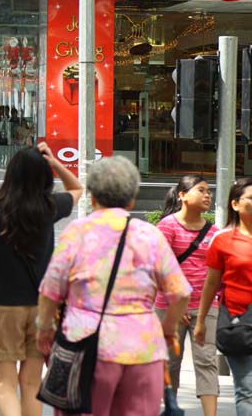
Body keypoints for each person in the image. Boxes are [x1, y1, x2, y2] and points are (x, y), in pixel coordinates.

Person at [36, 156, 191, 416]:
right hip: (143, 348)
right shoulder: (149, 235)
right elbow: (180, 292)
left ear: (93, 197)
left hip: (87, 347)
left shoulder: (77, 232)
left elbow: (50, 291)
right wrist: (167, 329)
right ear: (132, 199)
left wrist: (45, 329)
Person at [0, 143, 82, 416]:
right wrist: (55, 162)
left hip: (4, 308)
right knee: (31, 382)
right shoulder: (49, 207)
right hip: (41, 309)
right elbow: (78, 188)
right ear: (42, 175)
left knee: (4, 383)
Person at [155, 174, 219, 416]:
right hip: (167, 307)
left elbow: (216, 273)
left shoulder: (214, 232)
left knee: (207, 362)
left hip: (205, 307)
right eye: (201, 190)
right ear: (182, 195)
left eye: (208, 191)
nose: (207, 195)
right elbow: (159, 268)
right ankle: (169, 410)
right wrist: (175, 305)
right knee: (169, 363)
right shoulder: (167, 226)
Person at [195, 177, 252, 415]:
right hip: (239, 324)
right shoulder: (223, 240)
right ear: (235, 204)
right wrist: (201, 321)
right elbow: (211, 283)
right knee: (246, 390)